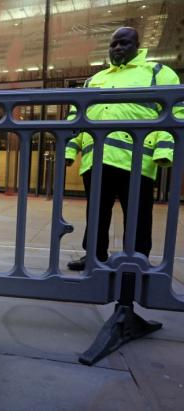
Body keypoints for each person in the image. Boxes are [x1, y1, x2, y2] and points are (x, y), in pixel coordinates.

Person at [65, 26, 178, 271]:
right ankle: (94, 257)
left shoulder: (158, 72)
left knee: (138, 214)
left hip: (137, 159)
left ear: (138, 45)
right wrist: (70, 150)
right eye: (113, 44)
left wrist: (164, 150)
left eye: (124, 43)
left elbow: (175, 112)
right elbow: (77, 116)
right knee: (96, 213)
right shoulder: (94, 79)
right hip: (96, 159)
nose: (117, 48)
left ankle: (136, 259)